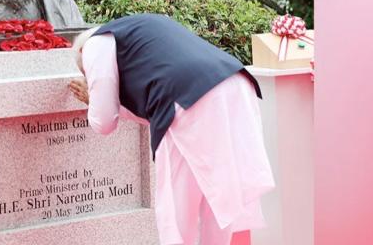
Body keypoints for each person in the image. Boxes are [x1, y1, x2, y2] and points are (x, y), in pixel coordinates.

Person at [69, 13, 274, 245]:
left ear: (81, 55)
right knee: (217, 196)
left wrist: (92, 98)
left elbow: (104, 121)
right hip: (234, 84)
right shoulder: (140, 30)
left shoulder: (94, 45)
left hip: (190, 98)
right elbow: (149, 108)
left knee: (177, 210)